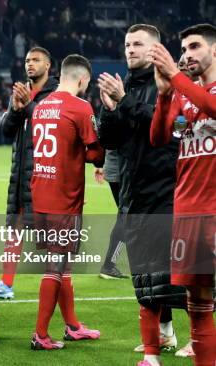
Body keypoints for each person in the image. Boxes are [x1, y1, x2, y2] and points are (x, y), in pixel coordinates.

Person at [97, 24, 186, 364]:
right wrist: (109, 108)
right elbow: (109, 141)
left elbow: (174, 132)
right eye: (126, 44)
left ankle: (197, 337)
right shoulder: (126, 87)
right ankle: (159, 342)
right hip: (134, 192)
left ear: (154, 50)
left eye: (137, 44)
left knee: (181, 273)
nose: (129, 49)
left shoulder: (171, 85)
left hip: (168, 190)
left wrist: (125, 101)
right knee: (145, 277)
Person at [149, 23, 216, 366]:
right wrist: (163, 95)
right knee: (197, 299)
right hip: (188, 209)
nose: (187, 55)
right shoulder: (182, 93)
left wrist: (176, 77)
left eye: (195, 47)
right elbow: (160, 136)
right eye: (184, 49)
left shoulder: (194, 89)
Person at [29, 54, 103, 350]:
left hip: (41, 195)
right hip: (64, 199)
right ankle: (41, 334)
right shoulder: (81, 106)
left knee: (63, 265)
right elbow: (96, 153)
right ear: (83, 79)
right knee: (56, 268)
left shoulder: (41, 106)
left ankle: (72, 326)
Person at [0, 47, 59, 300]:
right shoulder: (22, 92)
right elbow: (6, 130)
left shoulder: (56, 94)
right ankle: (6, 283)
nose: (30, 65)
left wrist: (28, 106)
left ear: (48, 65)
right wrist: (16, 109)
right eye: (27, 60)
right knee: (16, 225)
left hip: (47, 172)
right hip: (21, 171)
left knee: (52, 234)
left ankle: (59, 284)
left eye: (36, 60)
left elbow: (51, 124)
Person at [94, 149, 128, 280]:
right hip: (124, 169)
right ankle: (108, 266)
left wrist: (99, 164)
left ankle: (109, 265)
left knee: (125, 215)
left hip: (113, 167)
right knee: (127, 217)